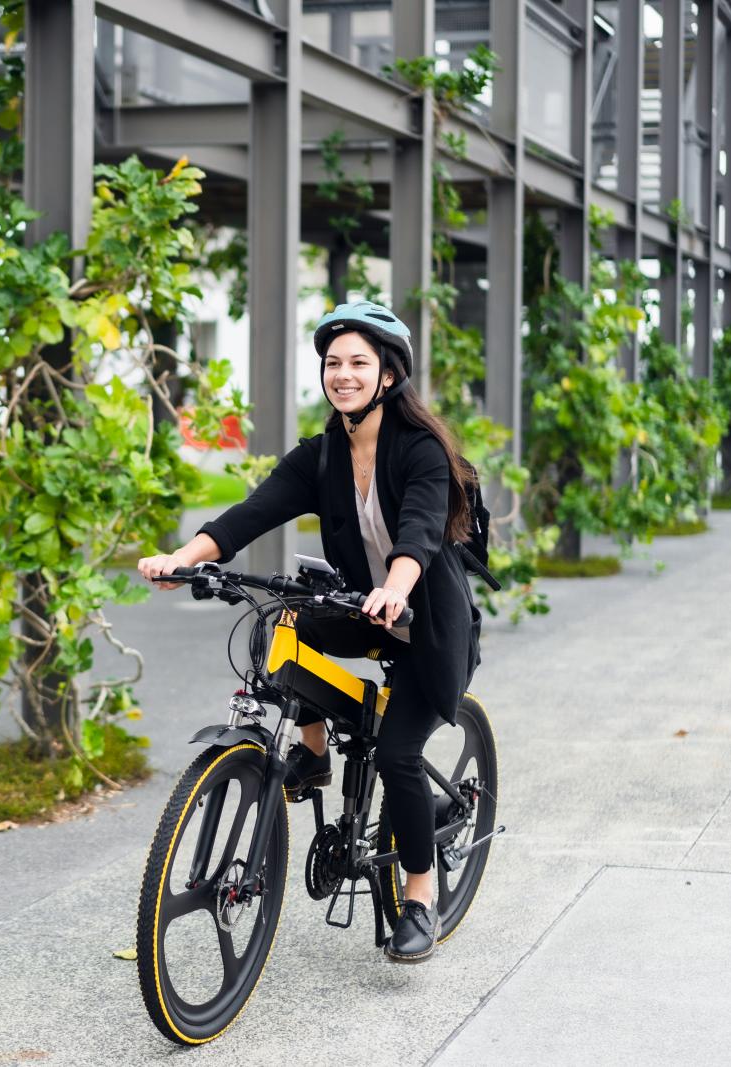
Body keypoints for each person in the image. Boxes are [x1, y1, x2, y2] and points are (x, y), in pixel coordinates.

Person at [137, 300, 482, 965]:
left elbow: (417, 533)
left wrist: (396, 585)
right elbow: (252, 511)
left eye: (358, 362)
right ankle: (316, 753)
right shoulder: (322, 457)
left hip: (427, 625)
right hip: (363, 608)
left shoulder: (422, 452)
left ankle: (419, 896)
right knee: (284, 619)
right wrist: (185, 557)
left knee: (399, 754)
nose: (343, 374)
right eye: (333, 363)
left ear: (387, 375)